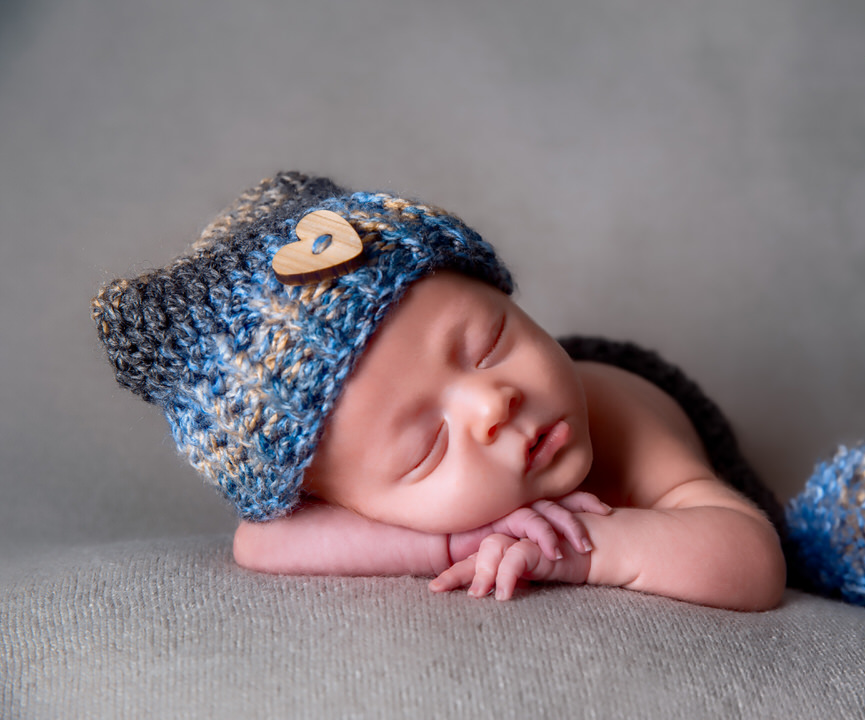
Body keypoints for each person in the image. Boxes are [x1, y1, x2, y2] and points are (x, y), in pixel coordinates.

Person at [91, 171, 785, 612]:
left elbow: (750, 559)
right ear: (341, 502)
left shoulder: (618, 410)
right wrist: (458, 541)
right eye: (427, 447)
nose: (491, 405)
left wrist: (588, 551)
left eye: (488, 344)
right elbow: (259, 544)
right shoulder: (353, 501)